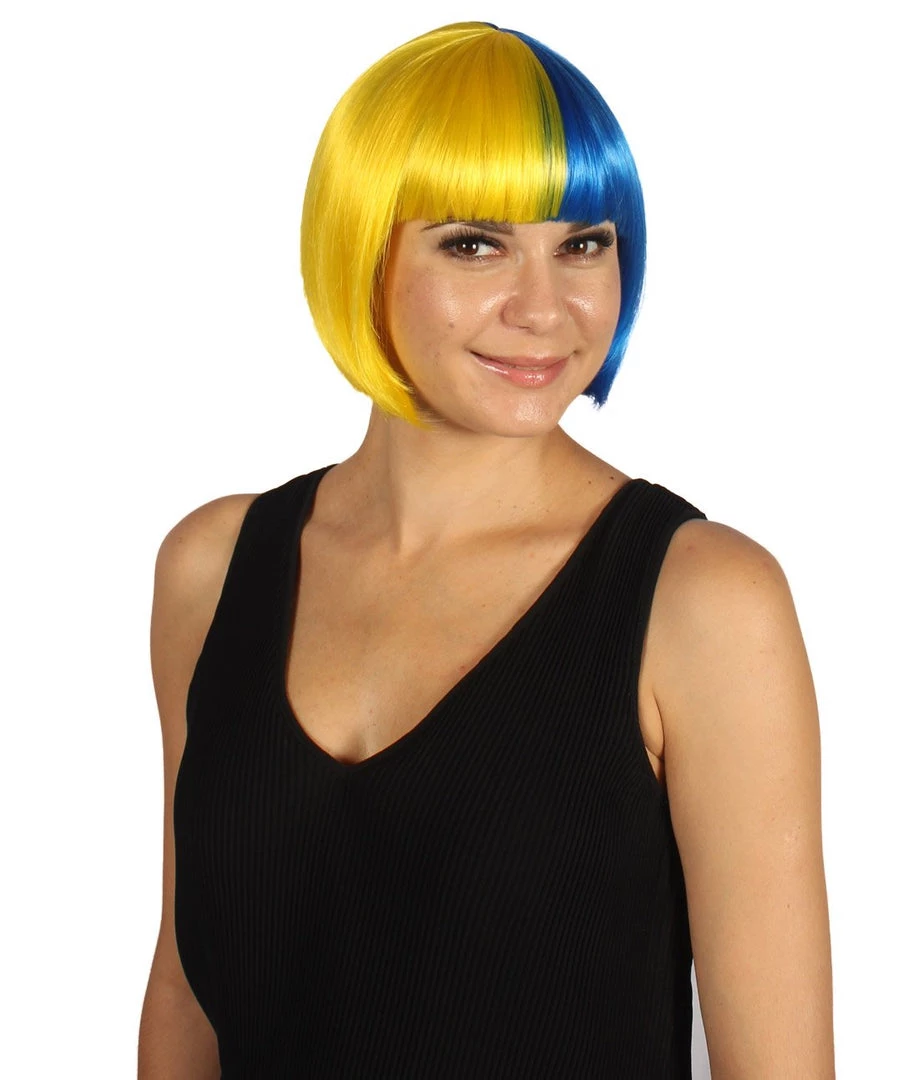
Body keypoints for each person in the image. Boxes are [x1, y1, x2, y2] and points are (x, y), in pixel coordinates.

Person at [138, 22, 834, 1079]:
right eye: (474, 245)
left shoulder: (700, 601)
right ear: (360, 249)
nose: (545, 309)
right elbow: (189, 993)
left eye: (583, 244)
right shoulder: (213, 568)